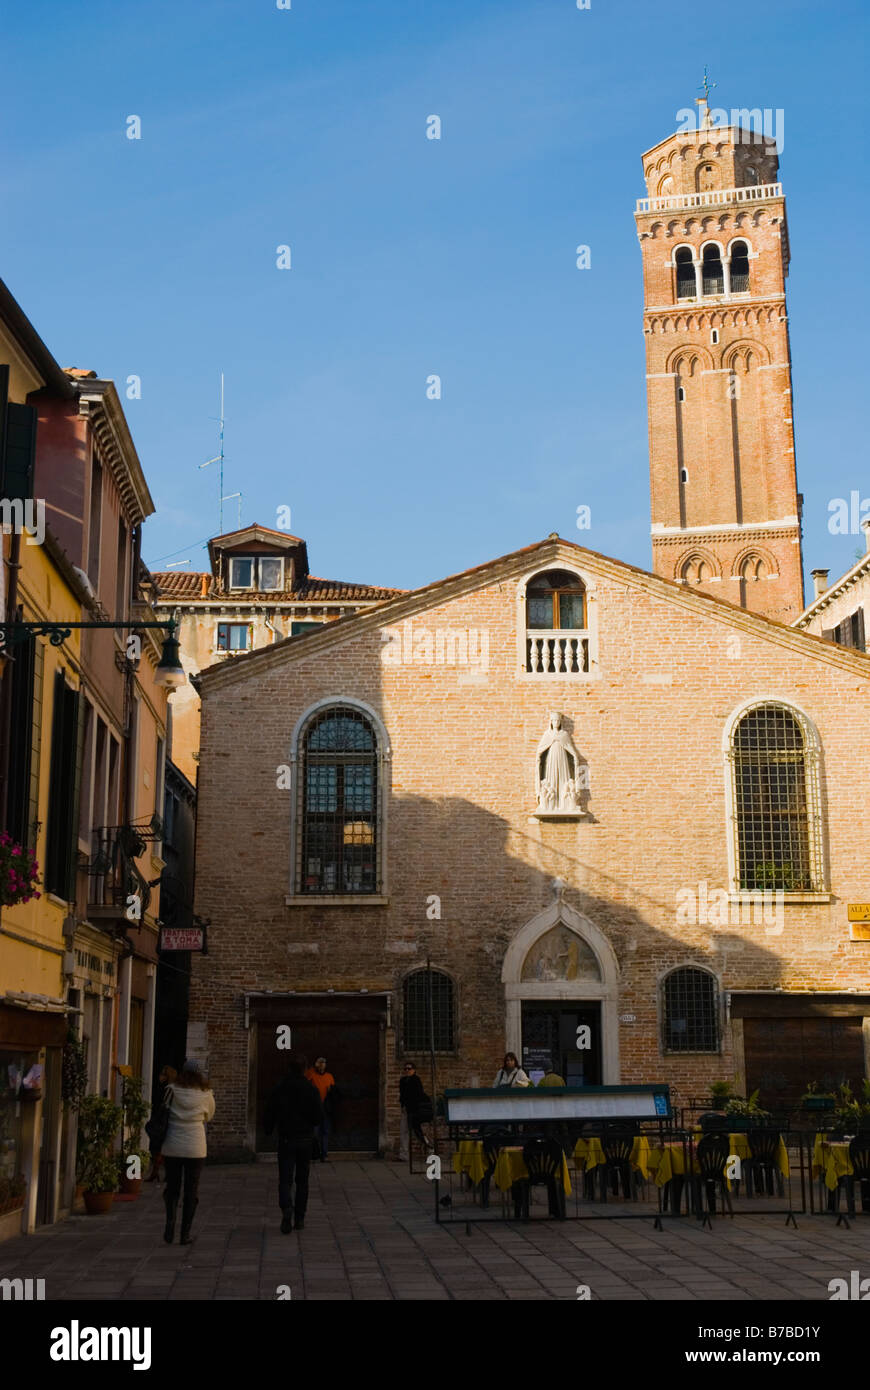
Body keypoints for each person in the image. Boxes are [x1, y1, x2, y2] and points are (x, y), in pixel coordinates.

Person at [264, 1053, 322, 1233]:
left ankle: (286, 1209)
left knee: (285, 1179)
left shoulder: (280, 1088)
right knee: (302, 1181)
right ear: (305, 1069)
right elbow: (318, 1117)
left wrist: (268, 1129)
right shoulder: (310, 1088)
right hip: (305, 1140)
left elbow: (270, 1112)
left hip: (286, 1139)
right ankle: (300, 1218)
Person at [161, 1059, 215, 1245]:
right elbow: (209, 1115)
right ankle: (185, 1233)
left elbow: (163, 1112)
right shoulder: (206, 1093)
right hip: (195, 1146)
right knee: (192, 1191)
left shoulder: (171, 1090)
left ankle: (170, 1222)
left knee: (173, 1187)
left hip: (173, 1144)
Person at [146, 1064, 177, 1182]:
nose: (160, 1076)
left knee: (157, 1146)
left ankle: (157, 1172)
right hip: (164, 1121)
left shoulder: (169, 1088)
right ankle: (156, 1172)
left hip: (163, 1122)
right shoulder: (168, 1088)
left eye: (163, 1074)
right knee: (159, 1147)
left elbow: (165, 1106)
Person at [398, 1062, 433, 1160]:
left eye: (409, 1069)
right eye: (405, 1069)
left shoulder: (416, 1080)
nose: (407, 1071)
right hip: (406, 1110)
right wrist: (403, 1105)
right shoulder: (402, 1081)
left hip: (415, 1111)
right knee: (403, 1131)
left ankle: (430, 1149)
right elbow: (402, 1095)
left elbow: (418, 1095)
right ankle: (404, 1155)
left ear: (414, 1070)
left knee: (418, 1132)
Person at [304, 1057, 335, 1161]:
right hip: (315, 1108)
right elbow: (305, 1084)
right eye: (319, 1063)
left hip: (325, 1108)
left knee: (325, 1132)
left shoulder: (329, 1076)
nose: (322, 1065)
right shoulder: (311, 1074)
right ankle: (314, 1154)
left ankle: (324, 1154)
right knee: (315, 1132)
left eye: (323, 1063)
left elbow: (332, 1092)